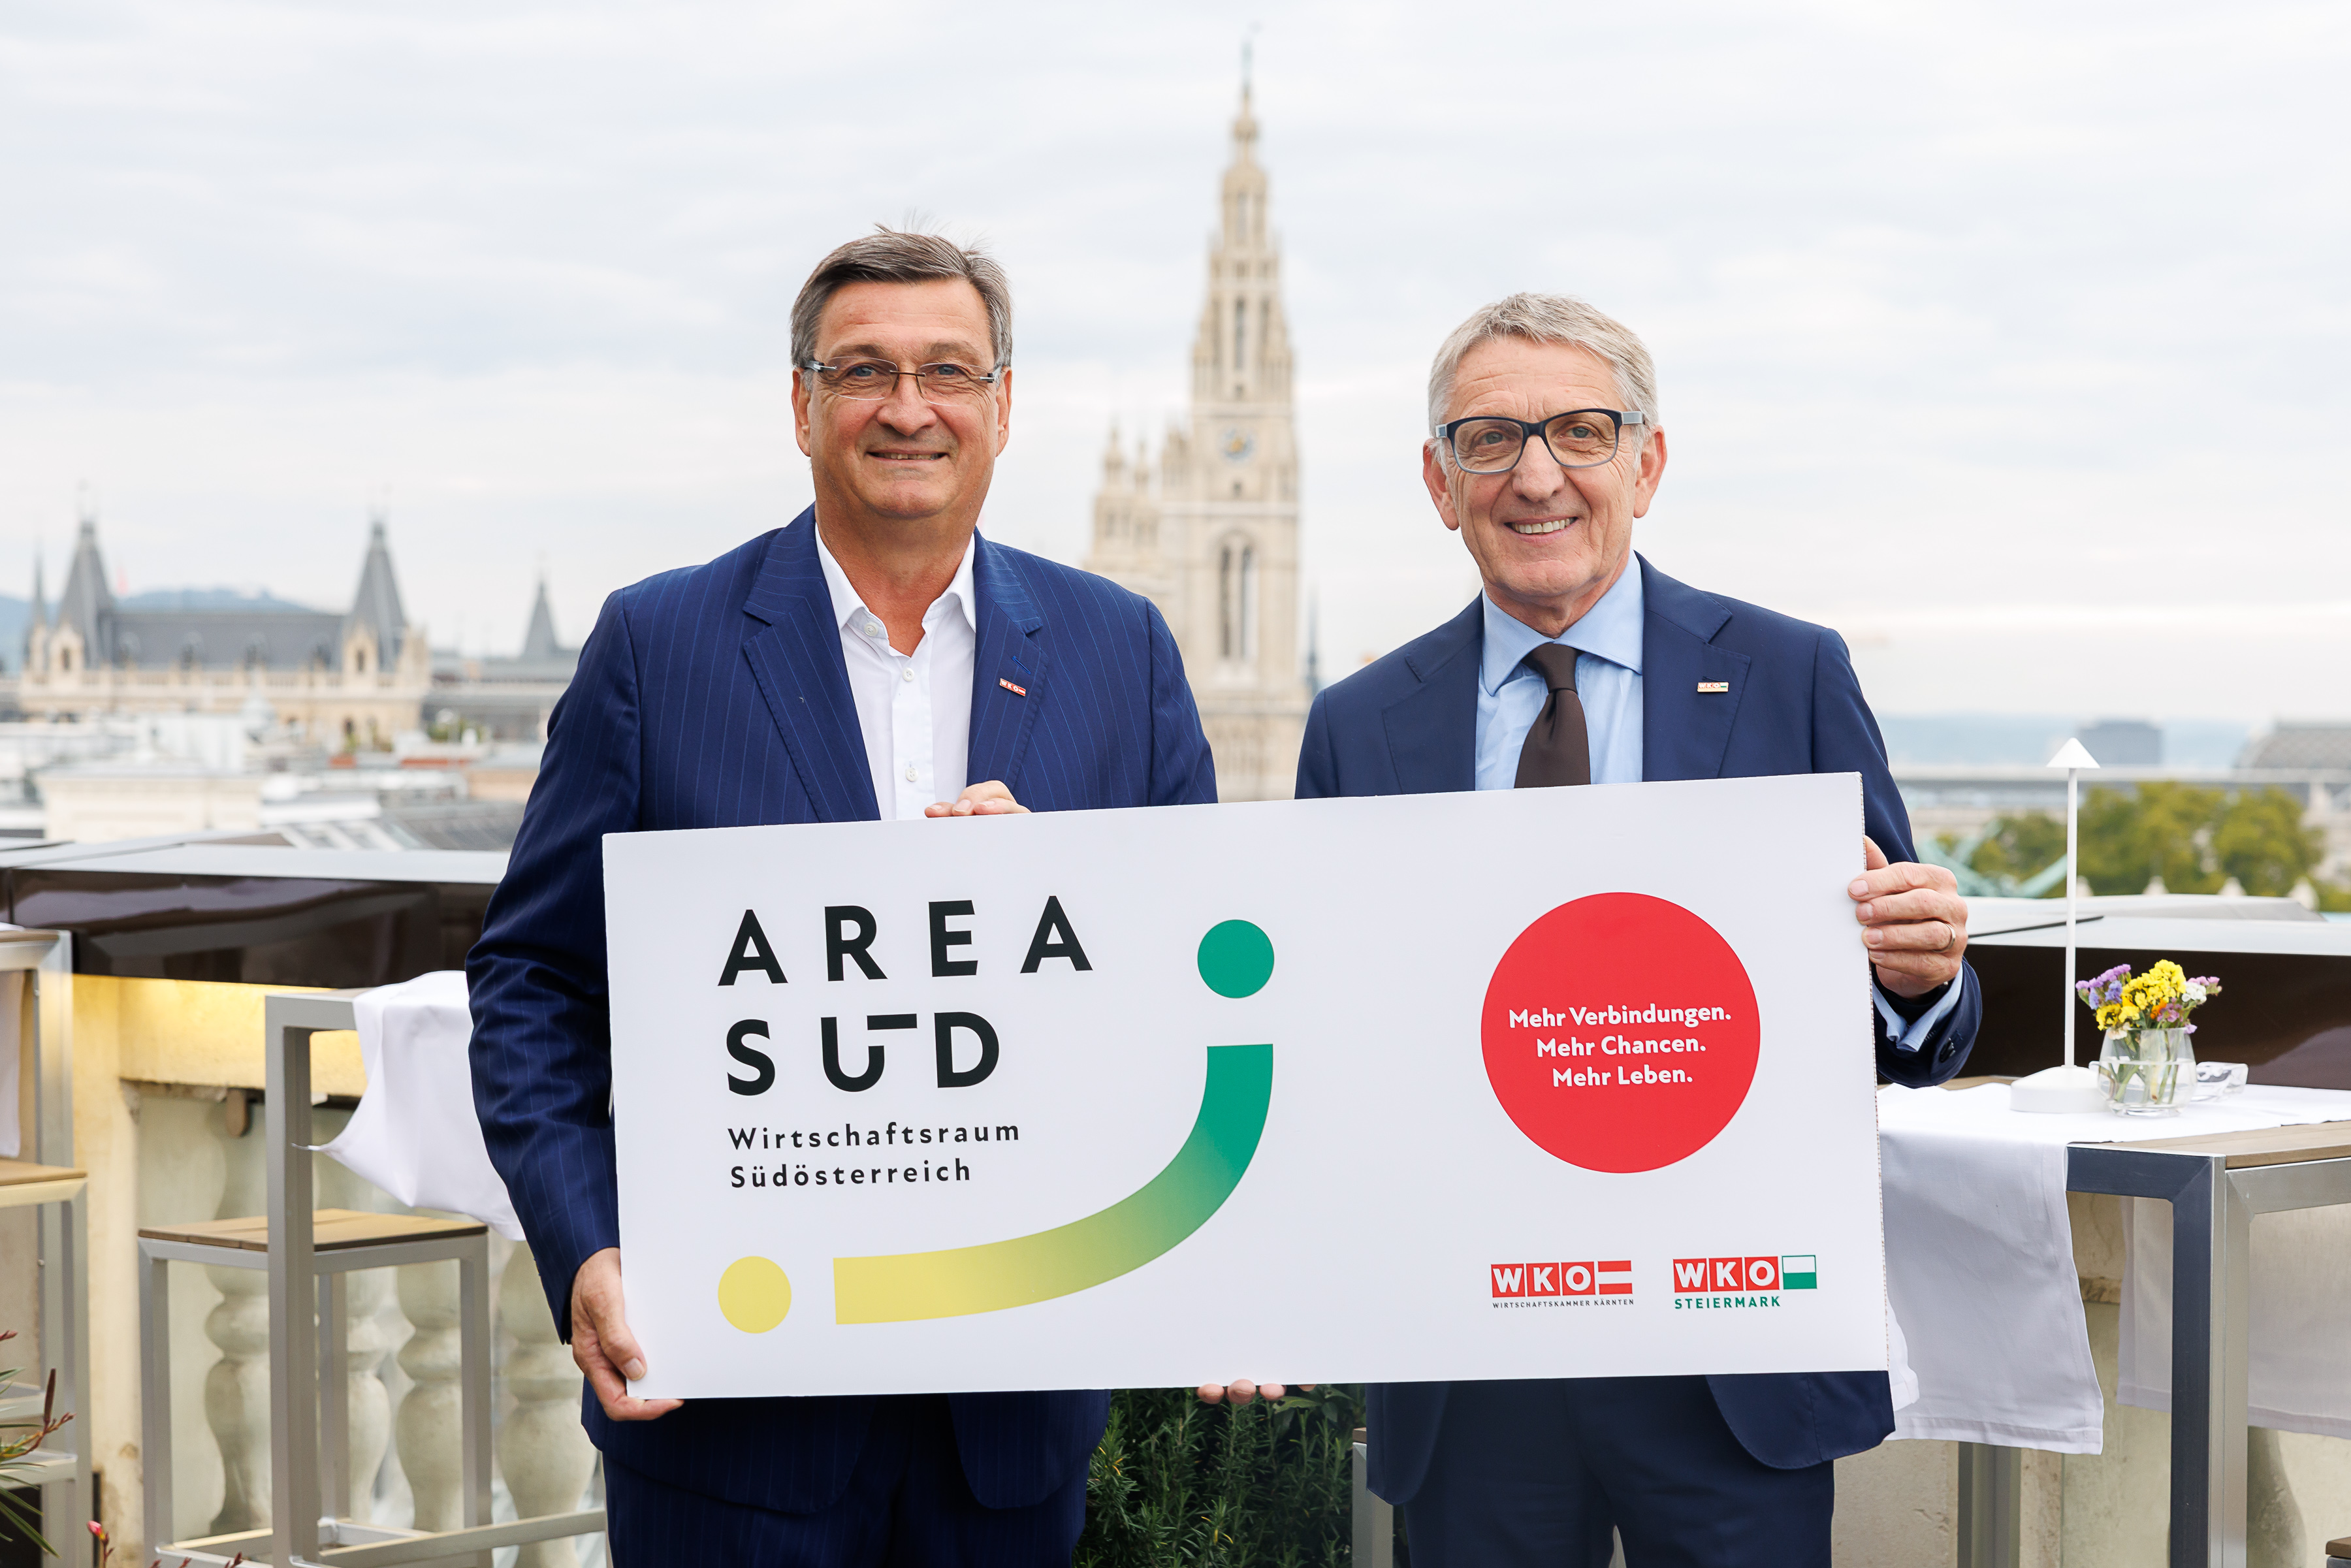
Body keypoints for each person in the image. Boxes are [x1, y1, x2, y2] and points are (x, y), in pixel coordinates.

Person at [468, 228, 1217, 1564]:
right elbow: (534, 985)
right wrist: (588, 1249)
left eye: (948, 371)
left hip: (1010, 1410)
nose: (909, 407)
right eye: (865, 370)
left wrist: (1068, 897)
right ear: (803, 402)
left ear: (1003, 404)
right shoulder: (661, 642)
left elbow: (1207, 966)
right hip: (728, 1417)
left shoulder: (1123, 649)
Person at [1292, 293, 1980, 1567]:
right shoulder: (1362, 724)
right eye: (1490, 439)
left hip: (1730, 1365)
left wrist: (1921, 977)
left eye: (1581, 431)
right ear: (1440, 484)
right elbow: (1320, 1040)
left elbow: (1915, 1024)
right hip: (1470, 1361)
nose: (1536, 474)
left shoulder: (1790, 674)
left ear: (1646, 464)